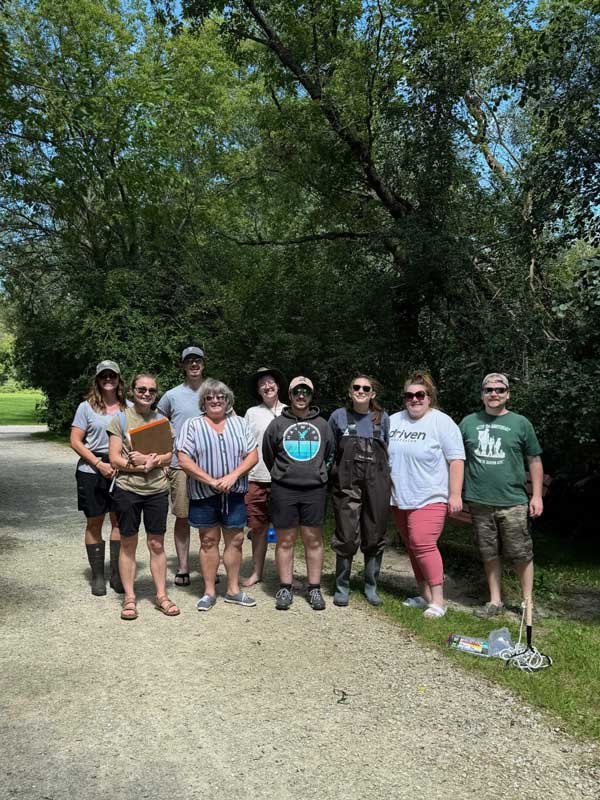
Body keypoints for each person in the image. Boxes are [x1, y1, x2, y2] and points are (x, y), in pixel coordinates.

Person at [459, 373, 544, 618]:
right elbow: (455, 458)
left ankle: (527, 603)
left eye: (499, 389)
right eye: (488, 390)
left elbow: (534, 460)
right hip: (479, 501)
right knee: (488, 552)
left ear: (508, 394)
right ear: (482, 395)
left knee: (521, 553)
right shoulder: (468, 423)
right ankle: (495, 601)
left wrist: (537, 496)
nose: (494, 394)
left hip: (513, 502)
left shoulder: (521, 423)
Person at [177, 378, 258, 612]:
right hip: (204, 494)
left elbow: (253, 455)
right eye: (209, 397)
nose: (215, 400)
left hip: (234, 493)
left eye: (220, 397)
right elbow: (183, 458)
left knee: (236, 540)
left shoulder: (240, 423)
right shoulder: (193, 425)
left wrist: (233, 476)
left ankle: (233, 590)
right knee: (208, 541)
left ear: (227, 400)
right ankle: (209, 591)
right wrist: (211, 481)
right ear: (203, 402)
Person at [388, 371, 465, 619]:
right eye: (409, 395)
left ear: (429, 397)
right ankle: (425, 596)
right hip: (399, 497)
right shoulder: (394, 421)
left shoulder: (442, 422)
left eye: (420, 395)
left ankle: (439, 601)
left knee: (423, 543)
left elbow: (456, 460)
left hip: (430, 495)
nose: (414, 399)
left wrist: (455, 494)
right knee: (412, 546)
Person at [107, 373, 180, 620]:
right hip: (127, 490)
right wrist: (139, 466)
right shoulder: (120, 419)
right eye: (142, 389)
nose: (146, 394)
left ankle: (161, 596)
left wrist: (153, 461)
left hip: (157, 490)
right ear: (132, 391)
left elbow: (169, 454)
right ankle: (129, 598)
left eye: (151, 390)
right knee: (128, 543)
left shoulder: (162, 420)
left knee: (156, 544)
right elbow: (114, 458)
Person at [262, 376, 335, 611]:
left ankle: (314, 588)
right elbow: (268, 453)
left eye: (306, 392)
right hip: (284, 489)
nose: (301, 396)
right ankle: (285, 586)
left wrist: (318, 473)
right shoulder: (277, 424)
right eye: (296, 392)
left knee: (313, 539)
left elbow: (330, 453)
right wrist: (283, 473)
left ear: (311, 396)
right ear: (290, 395)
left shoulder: (323, 425)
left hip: (314, 489)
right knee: (285, 540)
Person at [329, 375, 391, 607]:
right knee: (346, 533)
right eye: (357, 387)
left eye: (366, 388)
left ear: (373, 394)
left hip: (377, 482)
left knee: (375, 532)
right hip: (347, 484)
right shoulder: (338, 417)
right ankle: (342, 586)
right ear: (350, 391)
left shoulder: (382, 418)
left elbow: (387, 449)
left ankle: (371, 586)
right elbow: (331, 450)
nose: (361, 391)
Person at [70, 360, 128, 596]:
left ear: (119, 379)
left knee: (119, 522)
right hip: (92, 469)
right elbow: (75, 441)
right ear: (97, 379)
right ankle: (97, 576)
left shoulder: (129, 407)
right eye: (104, 376)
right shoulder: (86, 407)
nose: (108, 379)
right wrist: (98, 464)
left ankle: (116, 574)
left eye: (112, 375)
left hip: (120, 470)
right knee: (94, 522)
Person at [157, 346, 205, 587]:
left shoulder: (214, 391)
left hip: (209, 467)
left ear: (203, 364)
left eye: (198, 361)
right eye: (189, 361)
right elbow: (157, 422)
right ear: (183, 366)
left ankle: (208, 565)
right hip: (179, 465)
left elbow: (230, 420)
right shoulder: (171, 395)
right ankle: (184, 567)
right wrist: (164, 457)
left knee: (209, 518)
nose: (194, 365)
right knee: (183, 516)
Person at [242, 367, 287, 587]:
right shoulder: (251, 413)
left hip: (284, 480)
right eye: (262, 384)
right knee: (258, 528)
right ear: (258, 390)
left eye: (270, 382)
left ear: (278, 386)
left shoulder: (290, 411)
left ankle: (285, 576)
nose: (267, 386)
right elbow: (243, 445)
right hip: (256, 477)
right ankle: (256, 572)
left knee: (284, 531)